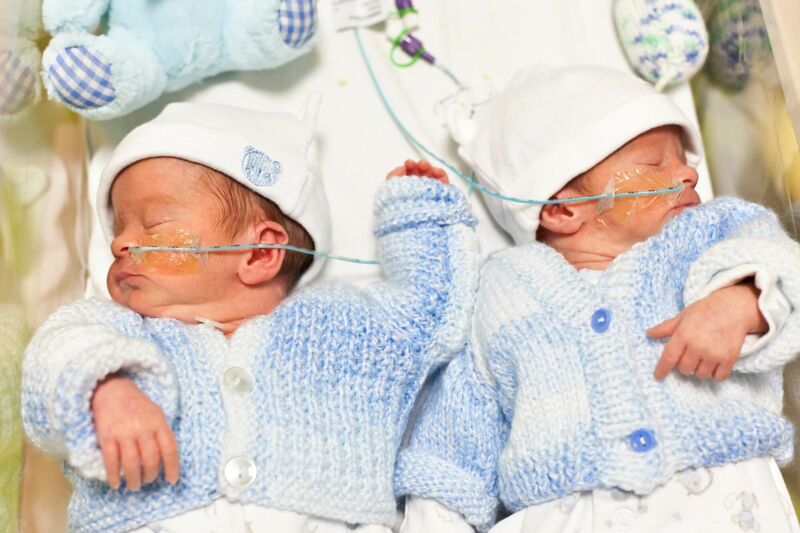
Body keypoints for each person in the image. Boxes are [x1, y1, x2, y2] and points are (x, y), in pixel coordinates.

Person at [21, 101, 478, 533]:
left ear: (260, 253)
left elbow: (427, 315)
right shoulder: (120, 332)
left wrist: (418, 218)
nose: (121, 244)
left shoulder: (341, 326)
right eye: (118, 228)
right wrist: (107, 389)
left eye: (153, 224)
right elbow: (54, 354)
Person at [396, 65, 800, 533]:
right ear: (563, 210)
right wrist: (435, 515)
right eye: (654, 164)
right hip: (563, 510)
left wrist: (743, 300)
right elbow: (460, 414)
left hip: (719, 501)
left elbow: (782, 263)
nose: (687, 173)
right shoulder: (504, 289)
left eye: (685, 160)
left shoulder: (709, 234)